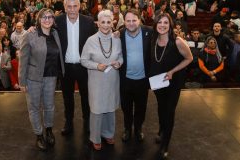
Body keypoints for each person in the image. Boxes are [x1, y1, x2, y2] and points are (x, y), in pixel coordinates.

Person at [19, 8, 65, 151]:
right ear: (38, 19)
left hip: (51, 76)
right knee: (34, 108)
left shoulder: (55, 33)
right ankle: (39, 135)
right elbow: (23, 59)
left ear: (53, 19)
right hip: (33, 78)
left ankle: (49, 130)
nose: (47, 19)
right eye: (43, 17)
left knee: (49, 106)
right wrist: (22, 81)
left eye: (50, 17)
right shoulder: (29, 35)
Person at [149, 13, 192, 159]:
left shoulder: (178, 41)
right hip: (158, 81)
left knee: (169, 111)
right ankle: (162, 131)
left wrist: (173, 71)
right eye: (159, 22)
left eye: (165, 23)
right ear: (155, 24)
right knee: (161, 108)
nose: (162, 25)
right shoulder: (153, 39)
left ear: (170, 25)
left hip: (173, 82)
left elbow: (189, 58)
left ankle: (165, 144)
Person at [81, 10, 123, 151]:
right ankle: (95, 137)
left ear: (113, 23)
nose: (105, 25)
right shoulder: (91, 40)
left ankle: (108, 134)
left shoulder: (117, 39)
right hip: (96, 82)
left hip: (112, 80)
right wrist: (96, 66)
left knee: (110, 109)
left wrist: (119, 63)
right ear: (97, 23)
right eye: (102, 22)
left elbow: (121, 57)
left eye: (108, 22)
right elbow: (83, 60)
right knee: (97, 110)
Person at [55, 0, 96, 135]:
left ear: (80, 6)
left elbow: (97, 40)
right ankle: (68, 121)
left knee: (86, 96)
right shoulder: (57, 21)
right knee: (67, 97)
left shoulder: (88, 22)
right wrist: (32, 30)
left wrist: (113, 35)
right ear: (65, 7)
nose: (72, 10)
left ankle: (87, 121)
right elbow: (44, 29)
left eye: (75, 6)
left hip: (83, 66)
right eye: (69, 6)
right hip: (65, 67)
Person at [119, 9, 153, 142]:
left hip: (142, 80)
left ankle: (138, 129)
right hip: (125, 79)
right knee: (126, 108)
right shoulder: (119, 34)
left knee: (141, 108)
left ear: (140, 20)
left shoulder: (149, 32)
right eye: (128, 21)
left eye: (134, 20)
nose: (131, 23)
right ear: (124, 22)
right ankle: (127, 129)